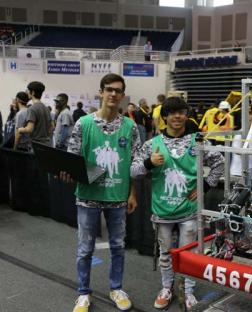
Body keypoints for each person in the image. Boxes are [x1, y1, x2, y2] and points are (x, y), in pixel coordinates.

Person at [130, 96, 224, 310]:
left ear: (186, 115)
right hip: (162, 211)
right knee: (165, 253)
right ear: (164, 117)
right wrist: (148, 163)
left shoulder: (198, 141)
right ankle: (167, 287)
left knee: (189, 254)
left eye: (181, 112)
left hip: (189, 211)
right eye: (172, 113)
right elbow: (133, 172)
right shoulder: (151, 145)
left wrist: (204, 187)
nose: (177, 116)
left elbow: (219, 162)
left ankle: (188, 291)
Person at [64, 73, 141, 312]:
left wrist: (132, 193)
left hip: (118, 198)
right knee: (85, 249)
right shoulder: (83, 123)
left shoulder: (130, 126)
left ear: (122, 95)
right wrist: (67, 172)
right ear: (100, 92)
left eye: (118, 90)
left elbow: (135, 163)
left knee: (118, 246)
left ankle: (116, 288)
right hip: (87, 197)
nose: (113, 94)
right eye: (108, 89)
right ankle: (83, 293)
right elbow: (72, 158)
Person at [18, 81, 53, 146]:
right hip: (47, 145)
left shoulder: (32, 108)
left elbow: (29, 129)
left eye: (28, 91)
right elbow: (51, 127)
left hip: (36, 146)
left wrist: (20, 129)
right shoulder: (46, 108)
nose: (27, 93)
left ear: (33, 92)